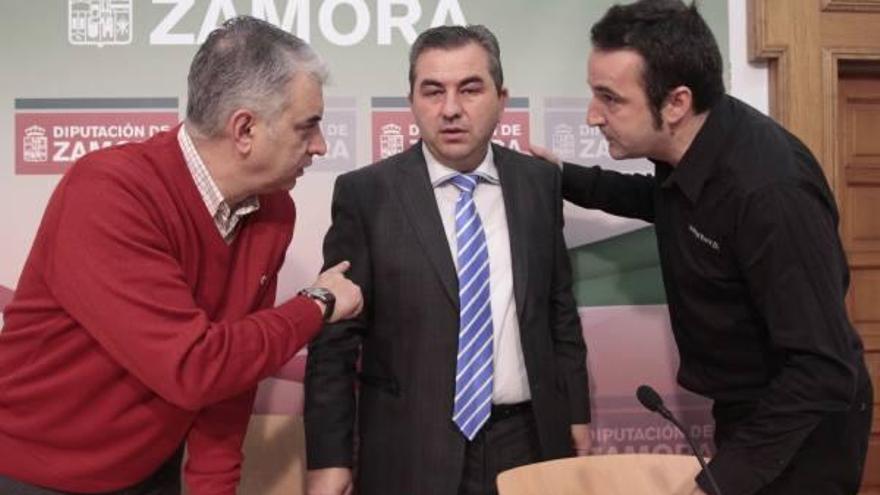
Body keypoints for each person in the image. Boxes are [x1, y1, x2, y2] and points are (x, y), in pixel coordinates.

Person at [0, 15, 362, 495]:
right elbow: (194, 366)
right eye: (307, 126)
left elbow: (232, 376)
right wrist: (315, 304)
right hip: (32, 474)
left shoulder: (273, 209)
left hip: (150, 471)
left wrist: (214, 489)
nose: (319, 146)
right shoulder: (110, 192)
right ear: (245, 129)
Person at [535, 1, 873, 494]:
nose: (592, 116)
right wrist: (564, 178)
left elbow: (822, 369)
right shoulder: (691, 146)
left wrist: (720, 482)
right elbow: (667, 201)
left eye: (610, 99)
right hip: (747, 409)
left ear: (675, 103)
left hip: (804, 425)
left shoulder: (769, 191)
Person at [304, 25, 590, 495]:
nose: (451, 109)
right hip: (408, 447)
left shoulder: (538, 183)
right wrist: (330, 458)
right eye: (432, 91)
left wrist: (576, 410)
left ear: (502, 98)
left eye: (470, 89)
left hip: (530, 439)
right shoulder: (366, 194)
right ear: (412, 100)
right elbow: (334, 341)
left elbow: (558, 308)